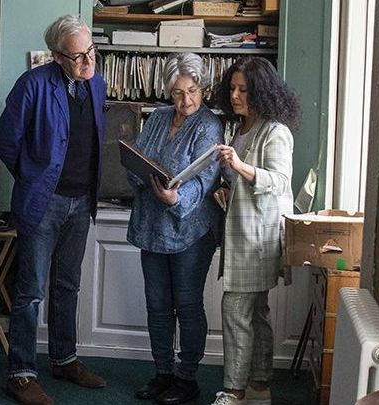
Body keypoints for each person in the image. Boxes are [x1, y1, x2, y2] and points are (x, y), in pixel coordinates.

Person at [0, 14, 107, 405]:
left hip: (82, 202)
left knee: (67, 286)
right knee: (30, 292)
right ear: (58, 57)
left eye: (91, 51)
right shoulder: (32, 85)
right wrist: (32, 179)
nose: (88, 62)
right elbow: (5, 141)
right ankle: (21, 374)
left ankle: (64, 359)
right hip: (44, 204)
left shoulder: (97, 84)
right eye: (78, 56)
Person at [126, 53, 224, 405]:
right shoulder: (159, 117)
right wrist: (138, 170)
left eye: (193, 91)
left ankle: (186, 378)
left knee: (187, 305)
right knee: (157, 305)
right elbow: (136, 157)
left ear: (203, 88)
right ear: (169, 91)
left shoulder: (210, 126)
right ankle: (162, 373)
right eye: (178, 93)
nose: (186, 101)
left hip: (191, 231)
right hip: (151, 226)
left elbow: (206, 178)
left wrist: (174, 200)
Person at [209, 57, 300, 405]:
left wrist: (239, 165)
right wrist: (227, 184)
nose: (234, 96)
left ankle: (233, 391)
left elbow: (278, 182)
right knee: (256, 313)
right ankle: (260, 385)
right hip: (243, 233)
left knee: (235, 310)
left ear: (260, 91)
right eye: (231, 88)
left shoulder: (276, 131)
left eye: (243, 90)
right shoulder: (243, 128)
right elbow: (245, 182)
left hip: (258, 239)